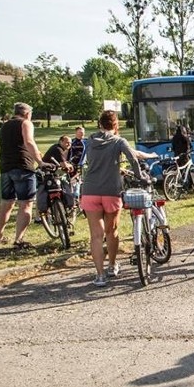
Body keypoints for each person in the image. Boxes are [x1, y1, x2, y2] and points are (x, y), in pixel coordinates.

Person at [80, 110, 145, 286]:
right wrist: (140, 176)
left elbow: (84, 162)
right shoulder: (119, 141)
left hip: (90, 190)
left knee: (95, 235)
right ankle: (112, 265)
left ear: (100, 124)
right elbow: (133, 159)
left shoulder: (90, 141)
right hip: (111, 191)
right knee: (112, 231)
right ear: (116, 125)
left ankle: (99, 275)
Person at [0, 102, 45, 249]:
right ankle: (19, 239)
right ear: (27, 114)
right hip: (22, 167)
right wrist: (40, 162)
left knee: (6, 203)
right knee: (26, 203)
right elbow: (29, 142)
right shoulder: (25, 124)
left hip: (5, 167)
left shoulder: (5, 125)